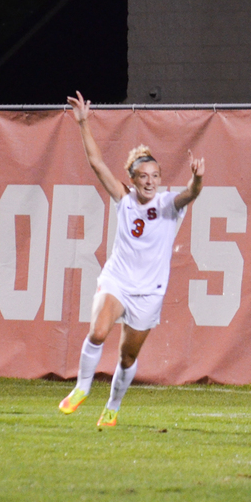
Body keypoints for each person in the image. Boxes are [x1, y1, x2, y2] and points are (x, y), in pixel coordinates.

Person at [58, 91, 204, 427]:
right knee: (97, 332)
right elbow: (96, 163)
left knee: (127, 357)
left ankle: (112, 407)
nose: (150, 181)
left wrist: (197, 179)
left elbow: (191, 194)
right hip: (118, 281)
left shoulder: (168, 205)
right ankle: (81, 389)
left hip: (149, 292)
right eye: (143, 176)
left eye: (155, 176)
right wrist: (83, 124)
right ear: (133, 179)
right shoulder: (124, 200)